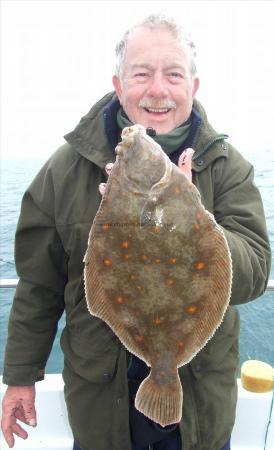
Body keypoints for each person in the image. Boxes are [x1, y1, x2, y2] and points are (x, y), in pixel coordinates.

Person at [1, 14, 271, 450]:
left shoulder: (228, 167)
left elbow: (257, 272)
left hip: (200, 406)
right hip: (100, 404)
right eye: (142, 74)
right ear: (119, 83)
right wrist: (18, 379)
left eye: (174, 74)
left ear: (193, 86)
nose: (158, 89)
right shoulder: (63, 170)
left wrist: (193, 216)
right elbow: (39, 286)